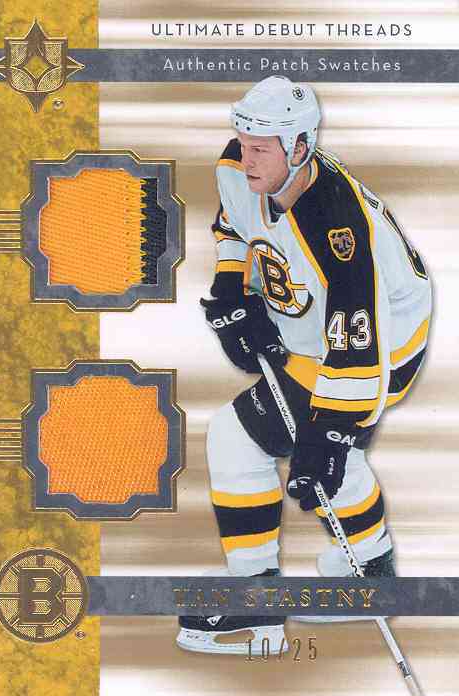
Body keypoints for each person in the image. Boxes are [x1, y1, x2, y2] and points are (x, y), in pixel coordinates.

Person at [177, 76, 431, 655]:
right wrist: (231, 291)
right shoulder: (240, 165)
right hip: (320, 328)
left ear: (300, 147)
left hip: (382, 347)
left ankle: (260, 599)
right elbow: (234, 224)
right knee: (313, 448)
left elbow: (357, 341)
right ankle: (370, 572)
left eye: (260, 148)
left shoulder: (337, 225)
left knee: (250, 438)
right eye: (243, 142)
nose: (246, 157)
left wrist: (334, 429)